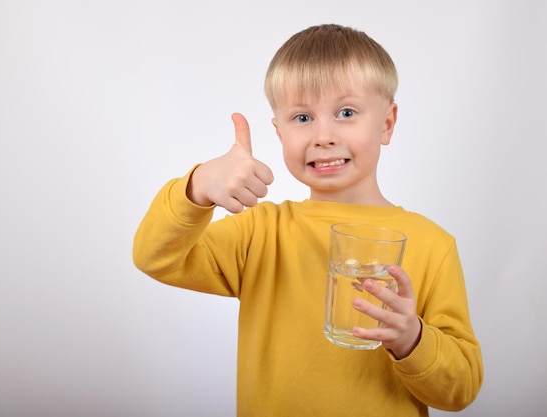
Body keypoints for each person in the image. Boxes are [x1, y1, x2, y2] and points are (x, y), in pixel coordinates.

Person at [133, 24, 483, 416]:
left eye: (346, 112)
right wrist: (195, 187)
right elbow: (154, 258)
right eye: (302, 118)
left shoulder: (432, 244)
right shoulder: (260, 232)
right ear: (279, 133)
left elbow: (462, 389)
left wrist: (413, 340)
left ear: (386, 123)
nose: (323, 136)